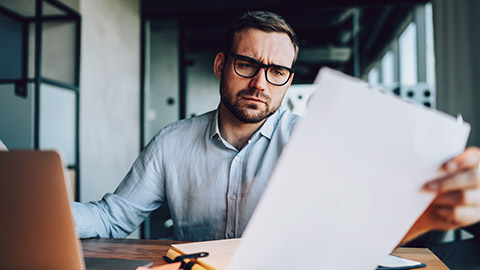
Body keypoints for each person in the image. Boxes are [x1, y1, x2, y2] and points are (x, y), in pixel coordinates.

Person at [73, 11, 480, 247]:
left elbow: (364, 222)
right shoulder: (170, 144)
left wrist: (434, 198)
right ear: (220, 65)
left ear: (289, 78)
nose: (259, 83)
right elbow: (111, 219)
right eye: (247, 64)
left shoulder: (314, 143)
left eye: (277, 71)